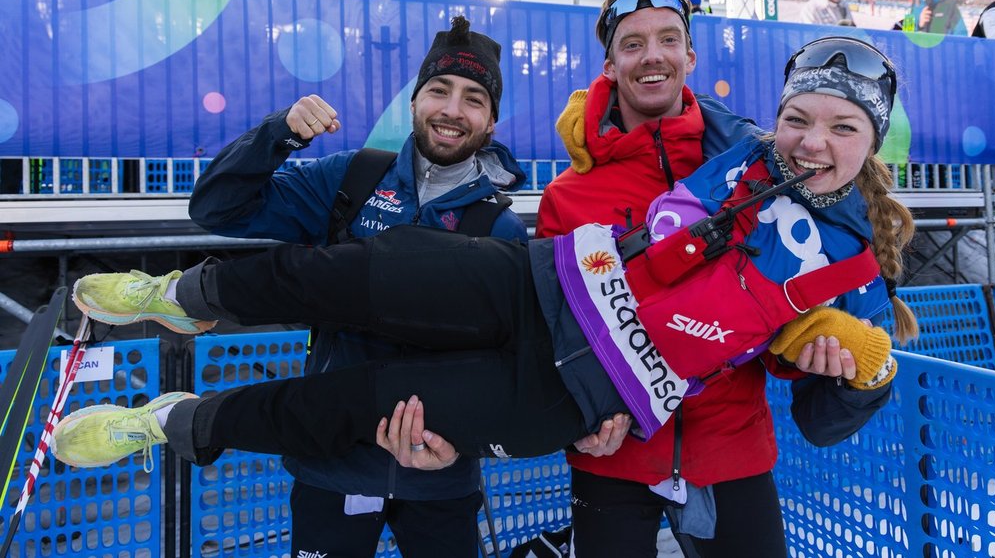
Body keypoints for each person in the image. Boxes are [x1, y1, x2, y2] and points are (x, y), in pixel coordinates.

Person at [53, 38, 917, 540]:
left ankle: (168, 421)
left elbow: (824, 415)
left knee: (359, 404)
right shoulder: (745, 157)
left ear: (871, 141)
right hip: (551, 282)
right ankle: (181, 297)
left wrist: (857, 374)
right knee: (369, 267)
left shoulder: (857, 277)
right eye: (799, 118)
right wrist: (611, 102)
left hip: (580, 390)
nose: (810, 142)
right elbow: (662, 91)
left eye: (842, 128)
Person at [537, 0, 900, 557]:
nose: (652, 55)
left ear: (690, 57)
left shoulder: (759, 166)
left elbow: (789, 333)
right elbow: (550, 331)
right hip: (613, 455)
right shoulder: (568, 193)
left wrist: (830, 363)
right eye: (632, 44)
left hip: (732, 452)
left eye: (669, 39)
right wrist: (571, 422)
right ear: (611, 63)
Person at [186, 15, 528, 558]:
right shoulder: (352, 180)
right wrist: (280, 133)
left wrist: (461, 447)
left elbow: (507, 366)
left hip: (440, 478)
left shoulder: (501, 227)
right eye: (439, 91)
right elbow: (214, 207)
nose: (452, 111)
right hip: (333, 462)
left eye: (473, 99)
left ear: (490, 123)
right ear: (415, 103)